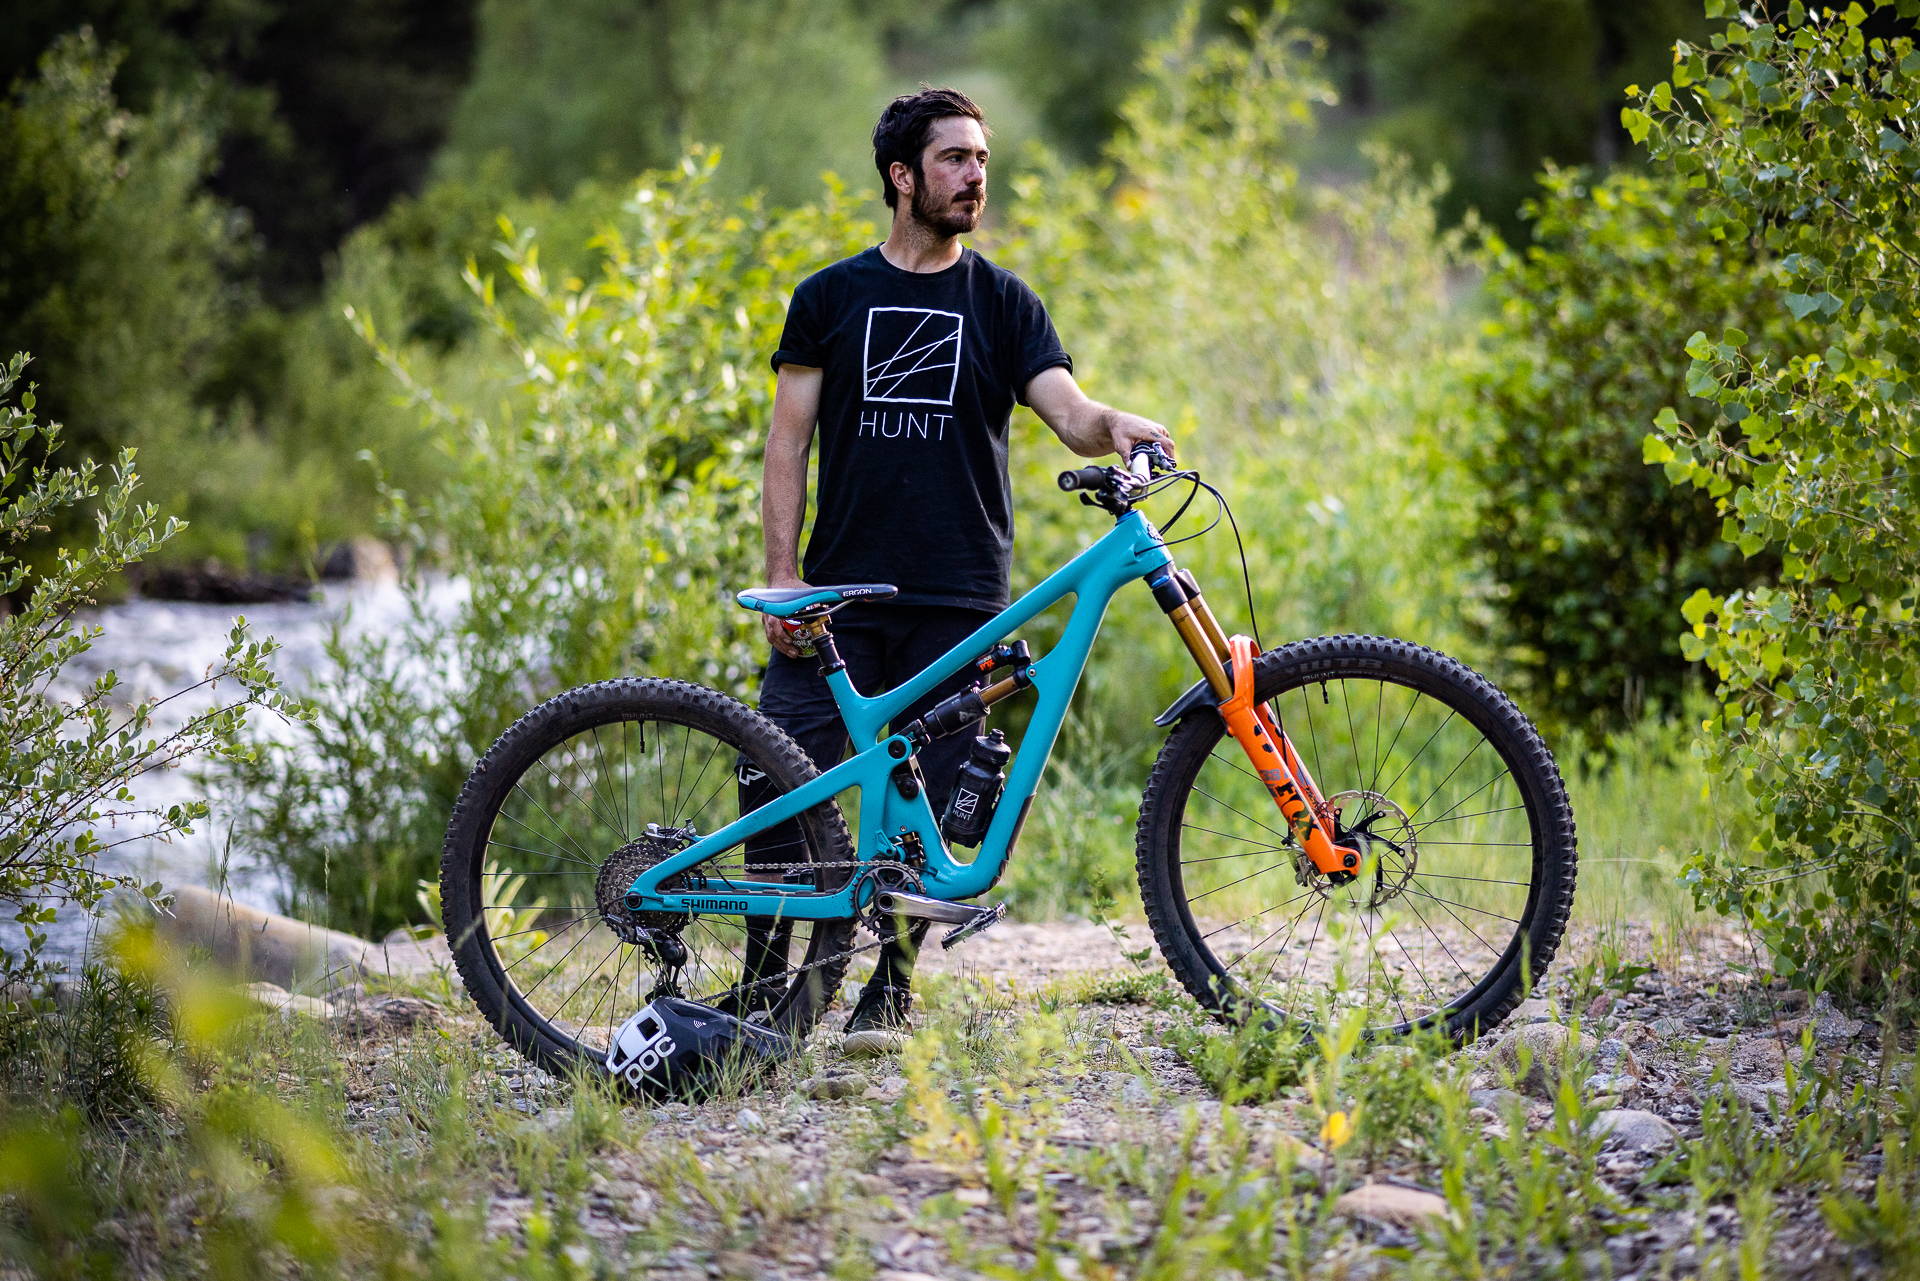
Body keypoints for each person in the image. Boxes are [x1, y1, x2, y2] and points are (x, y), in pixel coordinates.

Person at [743, 86, 1175, 1056]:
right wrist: (779, 577)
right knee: (775, 785)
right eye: (954, 159)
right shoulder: (828, 299)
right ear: (902, 177)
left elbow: (1071, 412)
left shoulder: (1004, 303)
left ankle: (886, 996)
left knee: (923, 807)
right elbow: (786, 446)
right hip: (840, 594)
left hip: (961, 596)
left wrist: (1120, 426)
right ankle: (757, 994)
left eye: (982, 158)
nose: (977, 174)